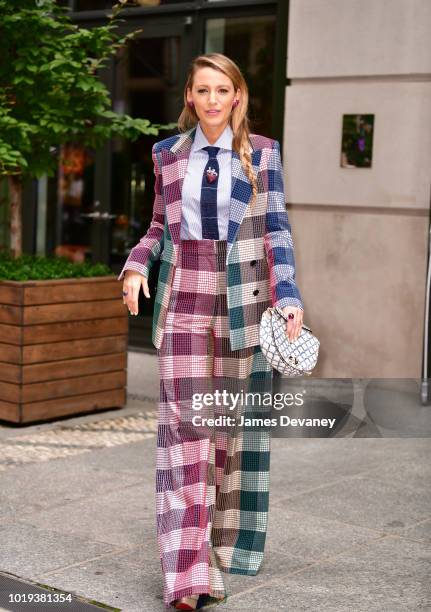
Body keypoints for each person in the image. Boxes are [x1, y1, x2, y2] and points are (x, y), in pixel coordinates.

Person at [118, 53, 304, 610]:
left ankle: (218, 546)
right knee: (185, 437)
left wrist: (289, 295)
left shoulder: (262, 154)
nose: (214, 99)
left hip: (242, 303)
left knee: (223, 435)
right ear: (191, 98)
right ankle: (186, 577)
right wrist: (134, 264)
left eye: (224, 89)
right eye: (204, 90)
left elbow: (277, 230)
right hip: (184, 300)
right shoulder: (166, 154)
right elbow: (157, 225)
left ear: (238, 96)